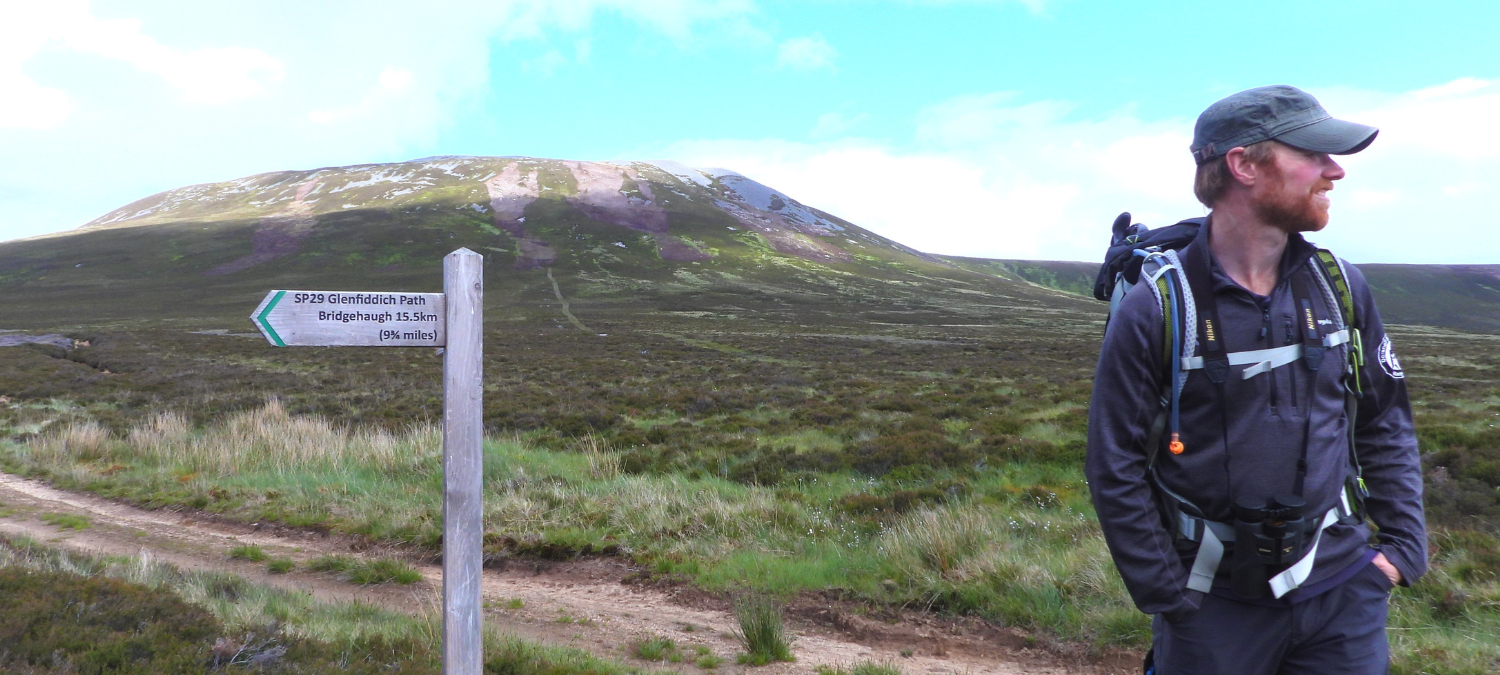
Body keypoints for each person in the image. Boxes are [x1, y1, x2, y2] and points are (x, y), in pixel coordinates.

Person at [1085, 85, 1426, 674]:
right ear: (1243, 164)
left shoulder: (1340, 286)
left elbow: (1384, 419)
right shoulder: (1159, 306)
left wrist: (1399, 552)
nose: (1335, 170)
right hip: (1211, 604)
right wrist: (1169, 595)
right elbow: (1113, 464)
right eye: (1312, 154)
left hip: (1344, 594)